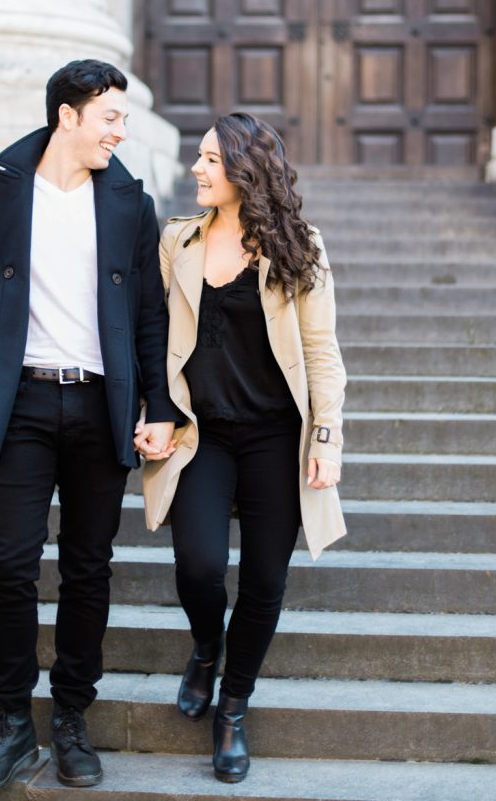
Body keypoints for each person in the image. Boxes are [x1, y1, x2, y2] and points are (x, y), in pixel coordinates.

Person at [0, 59, 177, 794]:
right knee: (10, 566)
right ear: (67, 116)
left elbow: (149, 316)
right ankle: (12, 721)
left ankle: (71, 716)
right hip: (22, 405)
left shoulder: (130, 204)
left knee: (88, 567)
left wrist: (160, 405)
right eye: (110, 117)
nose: (121, 131)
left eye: (123, 119)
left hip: (101, 405)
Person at [137, 112, 347, 783]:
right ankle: (207, 646)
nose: (195, 168)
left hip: (275, 437)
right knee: (198, 566)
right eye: (198, 157)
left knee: (263, 581)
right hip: (201, 434)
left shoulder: (299, 246)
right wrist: (154, 412)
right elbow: (153, 337)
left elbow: (321, 351)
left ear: (243, 171)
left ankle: (232, 705)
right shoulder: (178, 241)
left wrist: (326, 438)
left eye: (208, 159)